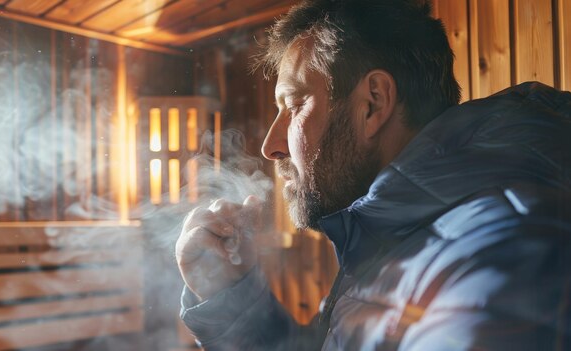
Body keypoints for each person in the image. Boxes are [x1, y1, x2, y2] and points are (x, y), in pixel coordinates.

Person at [175, 0, 571, 349]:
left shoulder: (495, 260)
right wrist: (230, 297)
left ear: (373, 103)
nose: (271, 146)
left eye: (294, 105)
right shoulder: (397, 236)